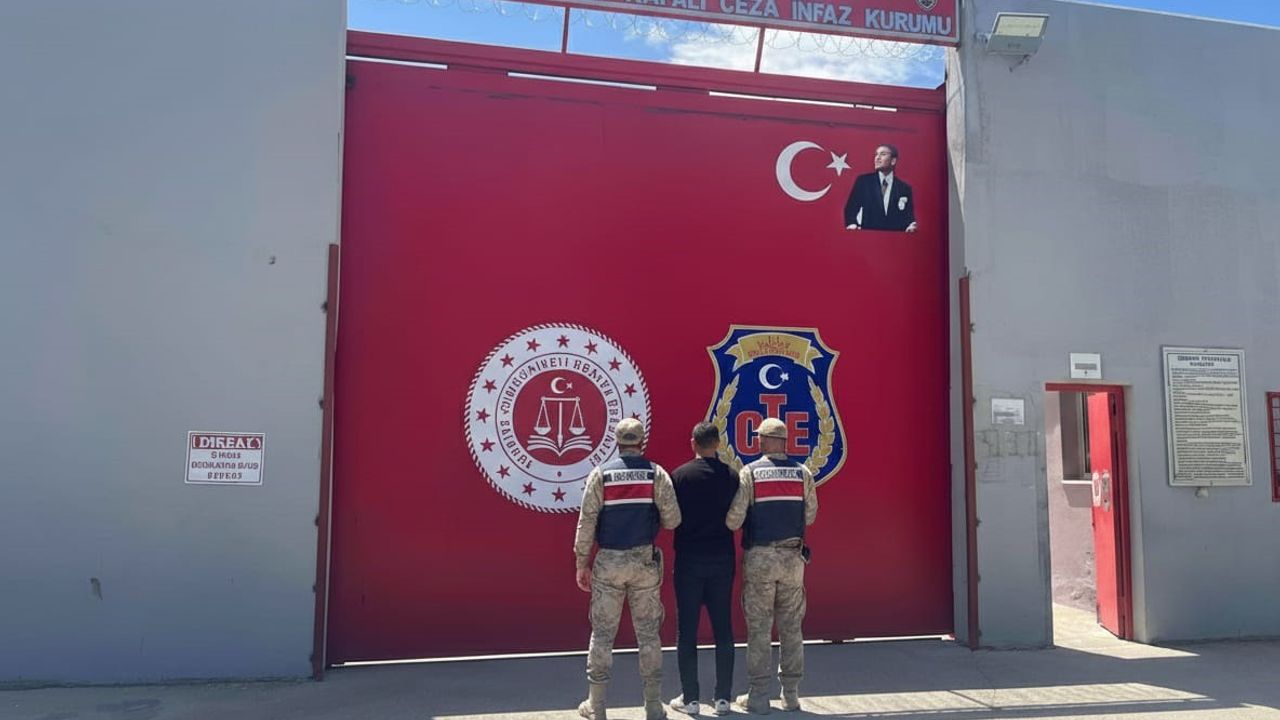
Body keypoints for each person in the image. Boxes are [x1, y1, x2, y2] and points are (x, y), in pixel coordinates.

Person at [574, 418, 682, 720]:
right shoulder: (656, 474)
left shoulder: (601, 475)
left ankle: (596, 706)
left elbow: (586, 522)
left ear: (617, 442)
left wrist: (581, 562)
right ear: (642, 442)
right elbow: (673, 519)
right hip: (643, 562)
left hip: (608, 562)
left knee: (602, 634)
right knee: (648, 635)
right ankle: (653, 705)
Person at [726, 418, 818, 714]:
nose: (759, 441)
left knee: (759, 629)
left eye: (760, 437)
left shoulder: (750, 473)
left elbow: (734, 520)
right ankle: (790, 694)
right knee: (792, 628)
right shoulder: (802, 473)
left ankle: (758, 695)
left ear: (766, 440)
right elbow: (811, 515)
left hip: (761, 558)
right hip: (793, 559)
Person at [668, 422, 739, 717]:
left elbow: (670, 518)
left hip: (689, 560)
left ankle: (691, 698)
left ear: (693, 443)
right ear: (718, 443)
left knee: (687, 631)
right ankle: (723, 699)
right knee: (724, 629)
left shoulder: (679, 476)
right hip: (722, 559)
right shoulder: (732, 476)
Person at [843, 143, 918, 232]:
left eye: (883, 154)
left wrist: (911, 225)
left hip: (894, 238)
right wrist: (852, 224)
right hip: (868, 236)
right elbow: (851, 209)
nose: (877, 158)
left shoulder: (904, 188)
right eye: (876, 154)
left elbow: (909, 217)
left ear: (893, 161)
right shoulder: (864, 182)